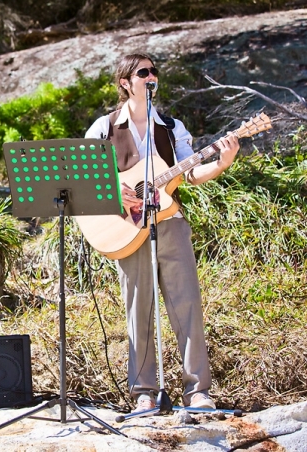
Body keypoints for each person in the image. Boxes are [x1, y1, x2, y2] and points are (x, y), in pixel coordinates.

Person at [85, 54, 240, 412]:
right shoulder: (104, 128)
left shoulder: (171, 126)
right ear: (125, 82)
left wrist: (222, 162)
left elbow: (190, 174)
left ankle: (197, 390)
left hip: (169, 222)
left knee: (187, 304)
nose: (151, 76)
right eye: (143, 72)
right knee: (138, 310)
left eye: (154, 71)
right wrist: (112, 192)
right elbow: (85, 177)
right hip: (125, 228)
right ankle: (143, 392)